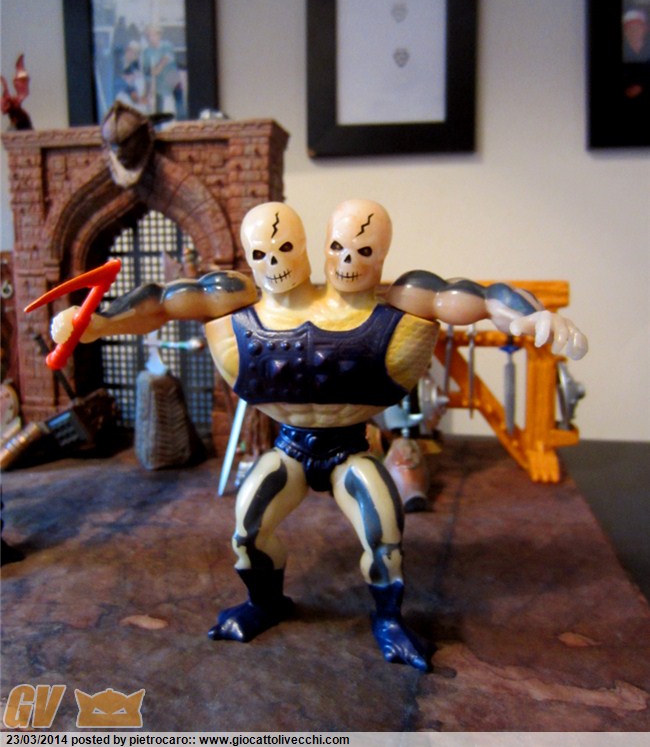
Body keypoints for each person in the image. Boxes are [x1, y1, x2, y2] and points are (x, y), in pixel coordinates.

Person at [49, 201, 587, 671]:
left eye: (362, 251)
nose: (347, 261)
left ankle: (389, 622)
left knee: (385, 537)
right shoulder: (234, 297)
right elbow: (163, 300)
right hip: (289, 448)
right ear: (318, 249)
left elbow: (476, 295)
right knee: (247, 531)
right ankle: (264, 603)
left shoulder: (401, 298)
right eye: (263, 254)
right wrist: (98, 322)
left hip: (350, 448)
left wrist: (532, 316)